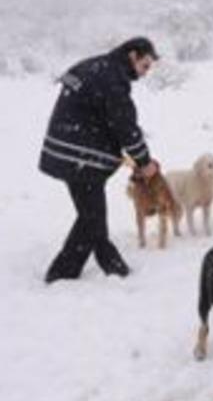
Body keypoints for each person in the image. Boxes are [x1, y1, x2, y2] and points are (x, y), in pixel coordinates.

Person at [39, 37, 160, 284]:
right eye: (145, 66)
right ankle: (68, 273)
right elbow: (124, 125)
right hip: (79, 156)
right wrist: (144, 161)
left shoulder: (93, 66)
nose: (146, 73)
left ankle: (89, 268)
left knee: (90, 215)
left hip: (65, 148)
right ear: (133, 55)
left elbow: (94, 113)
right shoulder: (113, 80)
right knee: (92, 216)